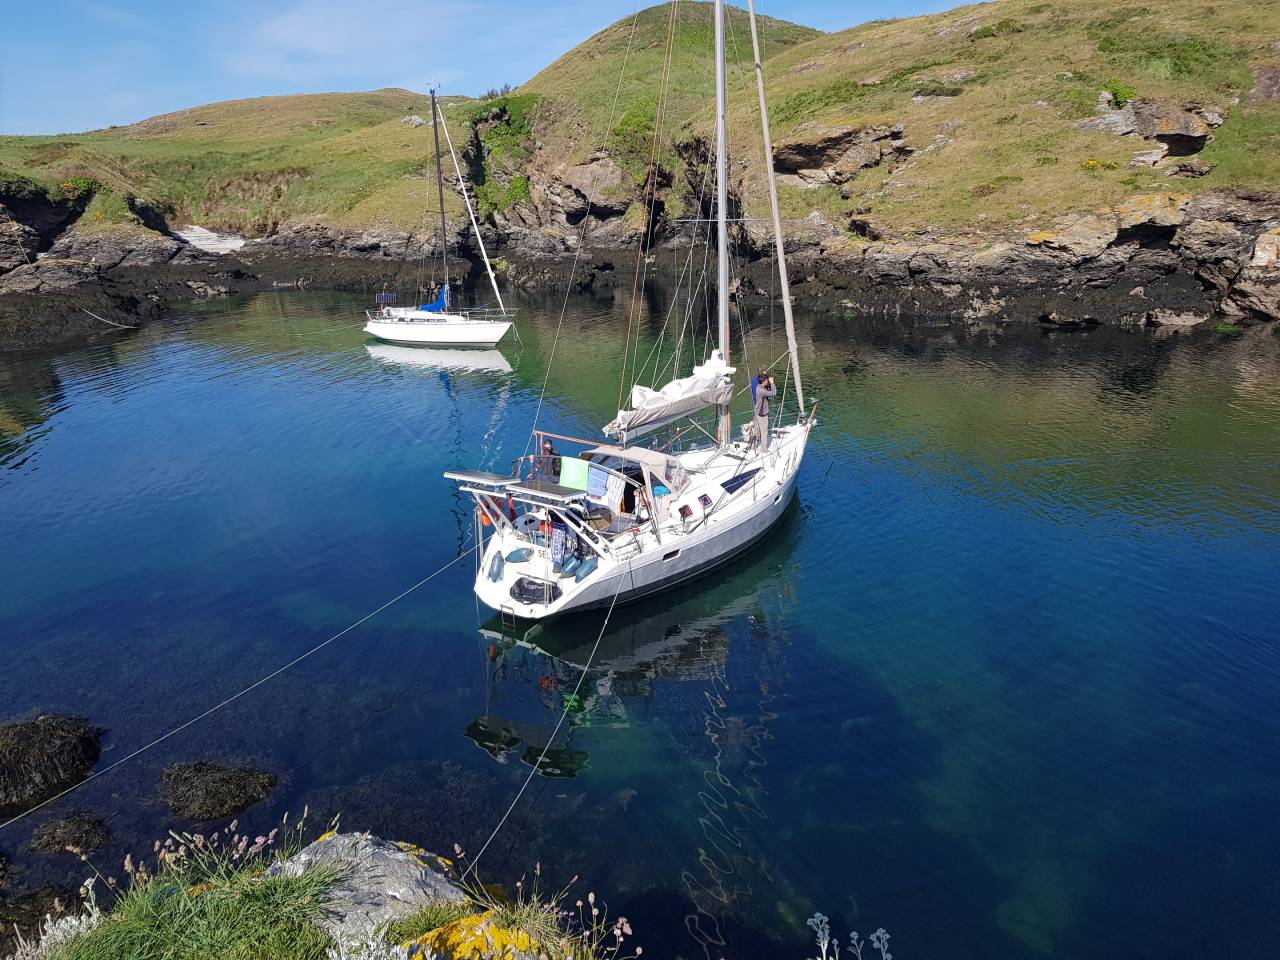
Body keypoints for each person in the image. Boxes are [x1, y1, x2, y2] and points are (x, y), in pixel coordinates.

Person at [753, 366, 775, 451]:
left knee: (757, 429)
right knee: (764, 430)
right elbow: (773, 393)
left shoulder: (756, 382)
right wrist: (772, 383)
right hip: (762, 411)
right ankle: (764, 449)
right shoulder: (761, 389)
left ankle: (754, 445)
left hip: (757, 408)